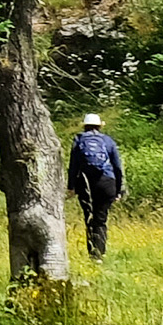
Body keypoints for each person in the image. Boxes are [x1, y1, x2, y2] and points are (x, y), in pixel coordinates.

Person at [64, 112, 125, 263]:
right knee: (101, 219)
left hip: (85, 183)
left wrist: (71, 186)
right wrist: (119, 189)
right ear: (99, 126)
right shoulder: (108, 141)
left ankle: (93, 254)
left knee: (89, 218)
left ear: (85, 126)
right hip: (107, 182)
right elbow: (117, 167)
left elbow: (73, 166)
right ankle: (100, 254)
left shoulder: (79, 140)